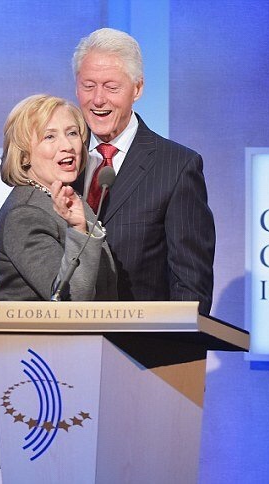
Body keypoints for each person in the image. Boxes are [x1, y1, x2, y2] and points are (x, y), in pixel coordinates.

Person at [0, 94, 117, 469]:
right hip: (37, 381)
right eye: (50, 136)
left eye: (72, 133)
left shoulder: (64, 200)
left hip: (66, 375)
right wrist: (78, 229)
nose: (67, 145)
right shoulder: (27, 211)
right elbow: (69, 301)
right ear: (25, 155)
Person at [72, 28, 215, 315]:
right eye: (88, 86)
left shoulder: (177, 167)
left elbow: (190, 288)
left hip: (138, 339)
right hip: (58, 337)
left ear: (137, 89)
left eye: (111, 87)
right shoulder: (58, 156)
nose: (97, 100)